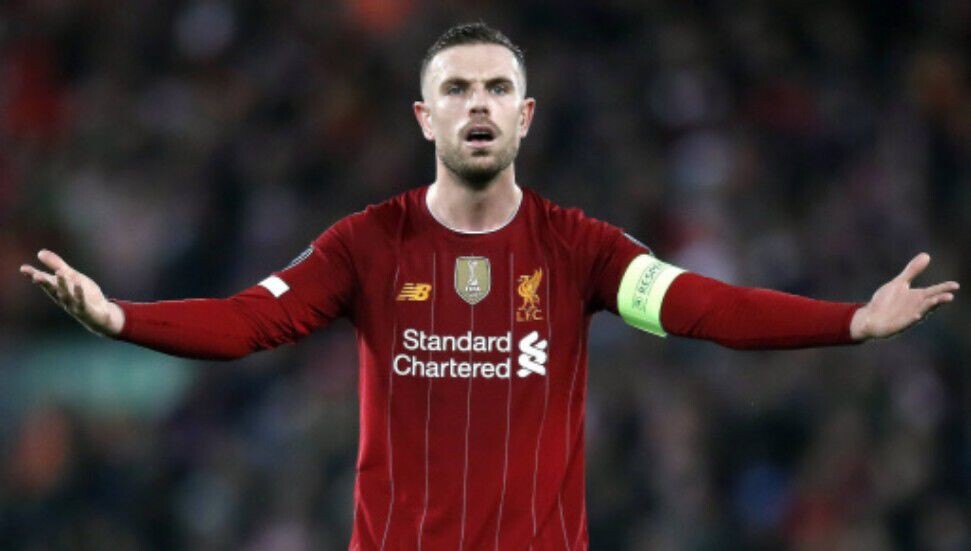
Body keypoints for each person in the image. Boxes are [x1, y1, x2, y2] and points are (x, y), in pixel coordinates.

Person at [19, 22, 959, 550]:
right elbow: (244, 321)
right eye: (457, 89)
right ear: (424, 117)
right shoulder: (365, 245)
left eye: (497, 89)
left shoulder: (580, 249)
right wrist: (119, 316)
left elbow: (701, 306)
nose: (478, 104)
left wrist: (850, 321)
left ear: (526, 116)